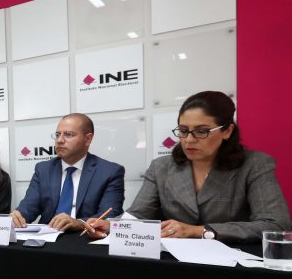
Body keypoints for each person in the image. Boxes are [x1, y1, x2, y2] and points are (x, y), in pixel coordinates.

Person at [84, 91, 292, 242]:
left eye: (201, 131)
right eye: (183, 131)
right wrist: (112, 226)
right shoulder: (161, 166)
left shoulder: (254, 165)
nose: (189, 140)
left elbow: (276, 224)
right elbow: (138, 214)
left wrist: (198, 231)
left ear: (227, 131)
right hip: (174, 264)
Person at [11, 113, 125, 231]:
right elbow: (29, 207)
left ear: (87, 139)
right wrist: (18, 216)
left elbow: (108, 216)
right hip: (47, 236)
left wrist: (80, 223)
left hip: (84, 237)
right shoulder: (43, 169)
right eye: (57, 135)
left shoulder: (109, 172)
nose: (60, 140)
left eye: (68, 134)